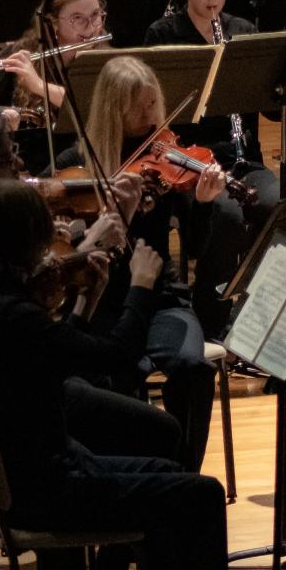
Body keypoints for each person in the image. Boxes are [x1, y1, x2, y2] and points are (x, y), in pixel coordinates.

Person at [0, 177, 227, 570]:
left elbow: (57, 357)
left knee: (170, 473)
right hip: (47, 489)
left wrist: (87, 301)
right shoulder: (13, 314)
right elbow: (118, 356)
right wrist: (141, 285)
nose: (55, 234)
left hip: (25, 473)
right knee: (203, 494)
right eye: (45, 226)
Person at [57, 56, 222, 470]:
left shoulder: (167, 159)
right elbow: (61, 245)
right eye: (141, 107)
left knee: (193, 368)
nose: (152, 116)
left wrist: (203, 204)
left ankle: (184, 475)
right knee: (114, 374)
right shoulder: (76, 164)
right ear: (114, 109)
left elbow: (196, 246)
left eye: (154, 104)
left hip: (161, 298)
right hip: (103, 301)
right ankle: (135, 474)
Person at [142, 0, 278, 333]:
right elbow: (155, 112)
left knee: (276, 206)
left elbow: (268, 106)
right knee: (227, 215)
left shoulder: (242, 31)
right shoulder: (164, 34)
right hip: (189, 162)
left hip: (242, 158)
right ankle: (210, 316)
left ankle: (257, 317)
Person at [0, 0, 113, 173]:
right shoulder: (21, 54)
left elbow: (92, 109)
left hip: (80, 164)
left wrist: (38, 85)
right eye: (78, 18)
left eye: (95, 15)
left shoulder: (105, 61)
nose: (91, 27)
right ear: (53, 22)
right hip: (22, 161)